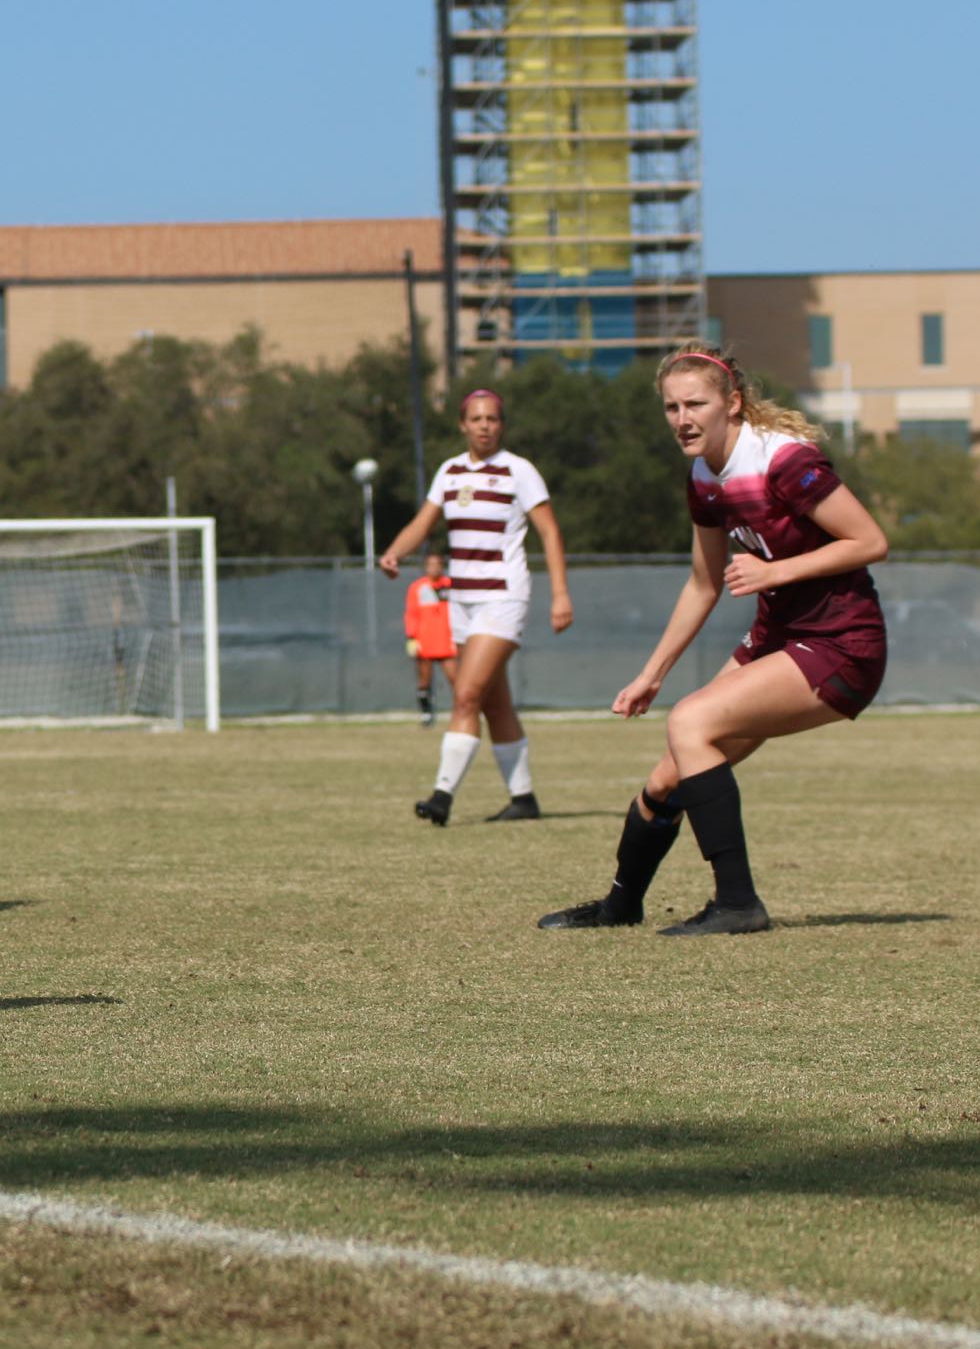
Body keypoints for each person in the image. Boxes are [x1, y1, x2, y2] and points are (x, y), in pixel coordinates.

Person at [539, 343, 890, 935]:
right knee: (667, 777)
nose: (682, 418)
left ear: (732, 403)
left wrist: (775, 572)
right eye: (672, 407)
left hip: (841, 645)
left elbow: (869, 540)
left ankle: (737, 905)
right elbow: (703, 584)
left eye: (695, 403)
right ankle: (621, 906)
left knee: (691, 724)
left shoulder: (782, 460)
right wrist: (652, 674)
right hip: (780, 638)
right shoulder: (703, 476)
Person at [377, 389, 574, 824]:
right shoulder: (449, 472)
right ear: (462, 425)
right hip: (461, 602)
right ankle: (523, 799)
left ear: (501, 425)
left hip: (503, 597)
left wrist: (560, 594)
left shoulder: (518, 471)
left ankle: (442, 797)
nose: (485, 425)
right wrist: (394, 552)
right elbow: (422, 524)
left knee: (465, 694)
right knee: (492, 702)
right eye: (477, 419)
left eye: (493, 419)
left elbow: (551, 534)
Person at [404, 550, 455, 727]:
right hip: (425, 641)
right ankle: (426, 713)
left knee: (456, 678)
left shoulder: (450, 585)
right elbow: (411, 614)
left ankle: (461, 712)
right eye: (430, 564)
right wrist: (412, 637)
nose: (434, 568)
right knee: (424, 679)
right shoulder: (417, 588)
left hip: (447, 641)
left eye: (437, 564)